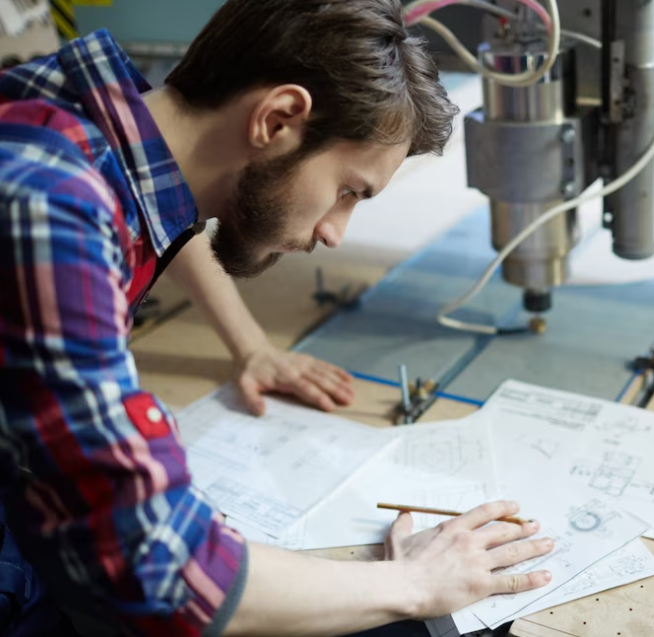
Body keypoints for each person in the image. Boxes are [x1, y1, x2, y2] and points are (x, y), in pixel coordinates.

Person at [0, 0, 555, 635]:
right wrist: (414, 582)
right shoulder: (49, 205)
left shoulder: (83, 126)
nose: (335, 232)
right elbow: (163, 574)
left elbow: (164, 226)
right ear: (279, 118)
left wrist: (248, 347)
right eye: (349, 190)